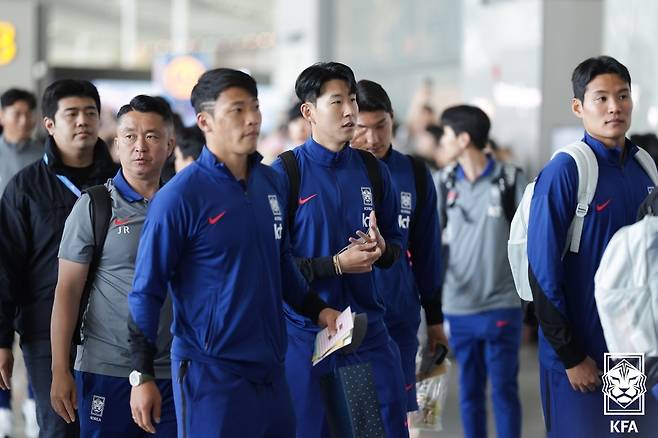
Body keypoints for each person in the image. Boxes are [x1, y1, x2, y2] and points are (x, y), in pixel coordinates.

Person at [126, 68, 339, 437]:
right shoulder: (179, 197)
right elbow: (147, 291)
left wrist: (319, 311)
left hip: (272, 369)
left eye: (254, 107)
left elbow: (281, 264)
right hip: (211, 374)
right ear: (205, 121)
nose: (252, 118)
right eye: (237, 110)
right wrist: (141, 375)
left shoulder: (271, 183)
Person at [270, 62, 408, 438]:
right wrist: (334, 265)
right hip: (307, 336)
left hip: (367, 333)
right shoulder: (284, 174)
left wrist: (383, 250)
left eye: (352, 100)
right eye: (336, 102)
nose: (350, 111)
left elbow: (397, 244)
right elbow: (272, 265)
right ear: (309, 111)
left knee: (379, 430)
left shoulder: (373, 171)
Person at [528, 56, 658, 437]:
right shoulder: (565, 172)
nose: (615, 107)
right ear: (578, 107)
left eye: (622, 96)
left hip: (627, 358)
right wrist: (571, 357)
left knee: (625, 434)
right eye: (601, 98)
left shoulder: (644, 168)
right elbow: (542, 272)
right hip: (577, 357)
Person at [50, 95, 177, 436]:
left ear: (169, 144)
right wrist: (60, 369)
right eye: (130, 136)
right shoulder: (95, 205)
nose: (140, 147)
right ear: (116, 143)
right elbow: (67, 291)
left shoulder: (182, 207)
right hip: (108, 369)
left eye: (151, 136)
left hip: (172, 370)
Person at [0, 79, 117, 437]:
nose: (83, 121)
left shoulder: (119, 181)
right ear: (49, 124)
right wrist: (2, 339)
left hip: (113, 332)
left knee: (110, 427)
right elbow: (6, 265)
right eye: (72, 113)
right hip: (45, 331)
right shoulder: (26, 186)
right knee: (60, 426)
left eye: (90, 113)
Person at [351, 79, 444, 412]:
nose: (373, 138)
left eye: (381, 126)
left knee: (399, 415)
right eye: (362, 128)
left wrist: (435, 320)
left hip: (399, 319)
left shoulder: (415, 173)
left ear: (393, 120)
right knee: (357, 419)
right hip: (348, 323)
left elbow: (427, 250)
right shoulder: (337, 175)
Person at [436, 104, 526, 438]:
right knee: (469, 392)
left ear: (463, 139)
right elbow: (431, 242)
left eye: (445, 136)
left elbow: (528, 239)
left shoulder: (510, 179)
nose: (440, 143)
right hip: (458, 306)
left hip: (501, 304)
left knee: (504, 390)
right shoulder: (443, 182)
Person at [0, 88, 42, 437]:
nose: (24, 120)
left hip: (31, 259)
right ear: (2, 116)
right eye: (17, 113)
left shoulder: (44, 155)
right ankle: (1, 411)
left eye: (29, 113)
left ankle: (32, 403)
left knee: (31, 333)